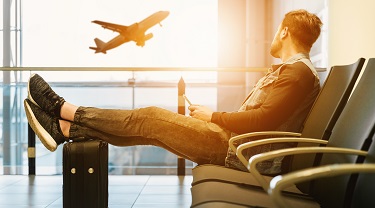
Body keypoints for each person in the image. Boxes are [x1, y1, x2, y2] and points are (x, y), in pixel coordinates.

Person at [24, 9, 322, 175]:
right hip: (236, 146)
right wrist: (214, 118)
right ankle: (65, 129)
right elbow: (264, 119)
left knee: (150, 117)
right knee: (151, 131)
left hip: (237, 151)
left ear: (284, 31)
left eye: (276, 31)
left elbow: (264, 120)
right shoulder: (295, 72)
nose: (273, 37)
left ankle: (63, 109)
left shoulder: (297, 72)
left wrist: (214, 116)